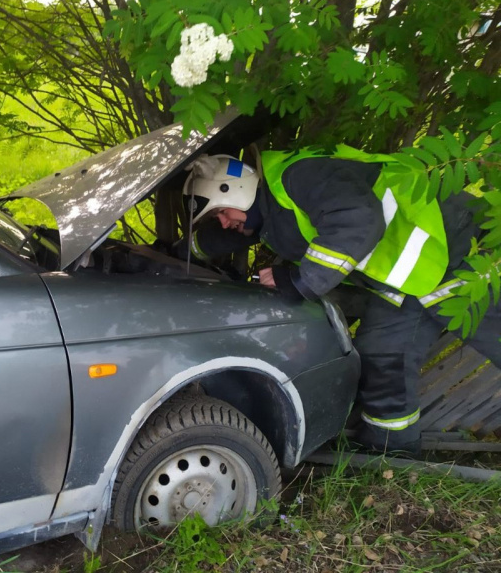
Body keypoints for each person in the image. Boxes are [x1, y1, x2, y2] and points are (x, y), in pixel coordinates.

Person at [180, 147, 501, 454]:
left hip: (461, 250)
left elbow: (358, 219)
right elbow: (225, 235)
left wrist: (298, 281)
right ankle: (391, 449)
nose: (223, 221)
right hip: (415, 279)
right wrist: (181, 252)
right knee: (383, 353)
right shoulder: (268, 207)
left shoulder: (300, 177)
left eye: (221, 212)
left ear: (238, 192)